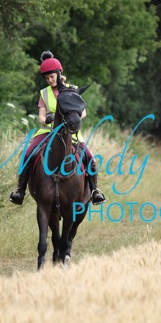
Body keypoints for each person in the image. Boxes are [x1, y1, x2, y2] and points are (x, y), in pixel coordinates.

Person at [9, 51, 105, 206]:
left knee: (90, 158)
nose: (50, 80)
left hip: (70, 132)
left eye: (52, 76)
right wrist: (47, 119)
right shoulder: (44, 93)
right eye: (47, 78)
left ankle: (95, 191)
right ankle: (20, 190)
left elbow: (83, 113)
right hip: (48, 132)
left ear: (59, 74)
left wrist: (71, 120)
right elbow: (41, 118)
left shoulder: (72, 89)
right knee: (27, 154)